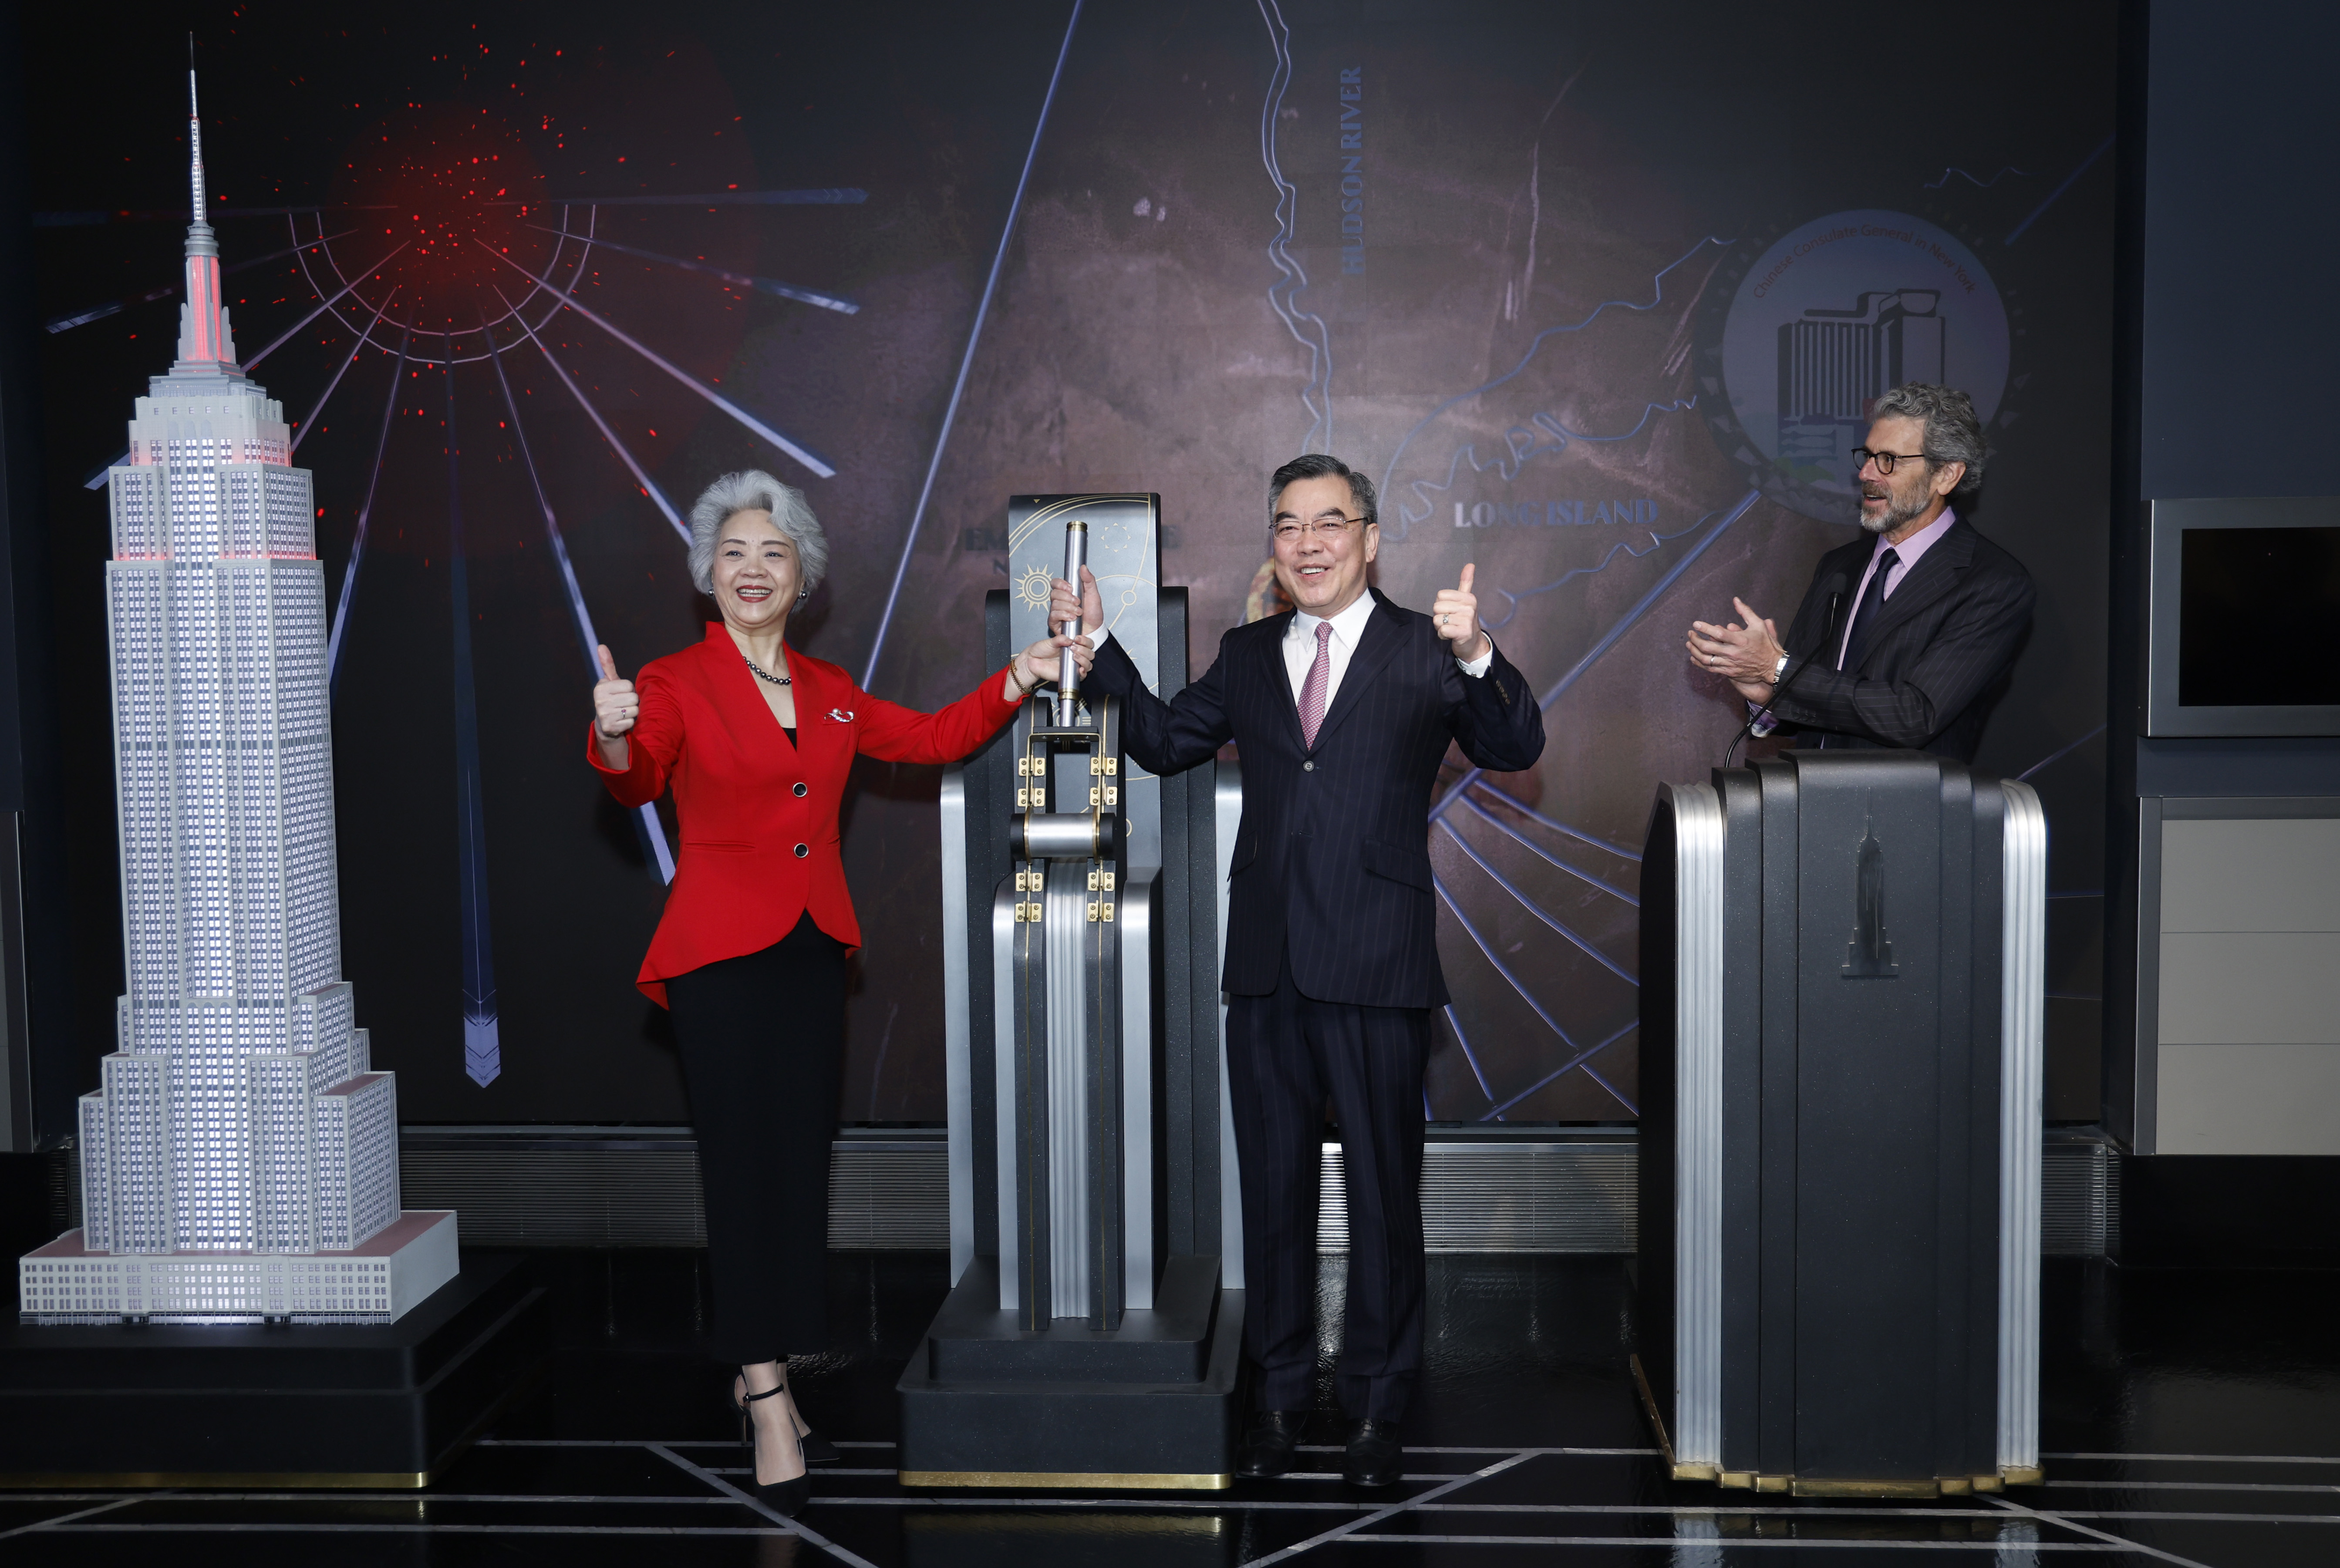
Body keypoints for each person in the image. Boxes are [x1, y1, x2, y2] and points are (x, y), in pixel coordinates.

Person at [589, 470, 1088, 1514]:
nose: (752, 568)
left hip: (811, 952)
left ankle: (766, 1357)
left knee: (796, 1162)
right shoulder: (673, 680)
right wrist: (615, 730)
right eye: (733, 552)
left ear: (802, 575)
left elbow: (930, 739)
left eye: (772, 552)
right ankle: (765, 1387)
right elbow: (635, 777)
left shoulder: (830, 687)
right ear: (707, 574)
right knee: (740, 1168)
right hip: (719, 958)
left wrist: (1021, 673)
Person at [1047, 453, 1544, 1488]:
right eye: (1287, 525)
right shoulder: (1245, 652)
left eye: (1328, 523)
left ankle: (1375, 1408)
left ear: (1369, 537)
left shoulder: (1424, 647)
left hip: (1377, 962)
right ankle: (1275, 1398)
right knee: (1270, 1196)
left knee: (1382, 1200)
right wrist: (1097, 648)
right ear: (1271, 544)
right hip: (1267, 967)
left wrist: (1477, 652)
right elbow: (1163, 741)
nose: (1307, 544)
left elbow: (1511, 744)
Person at [1687, 382, 2034, 763]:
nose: (1867, 473)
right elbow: (1815, 695)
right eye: (1867, 456)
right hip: (1809, 795)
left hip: (1906, 800)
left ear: (1947, 475)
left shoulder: (1992, 583)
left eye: (1889, 460)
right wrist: (1767, 695)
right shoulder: (1840, 566)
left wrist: (1778, 668)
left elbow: (1915, 715)